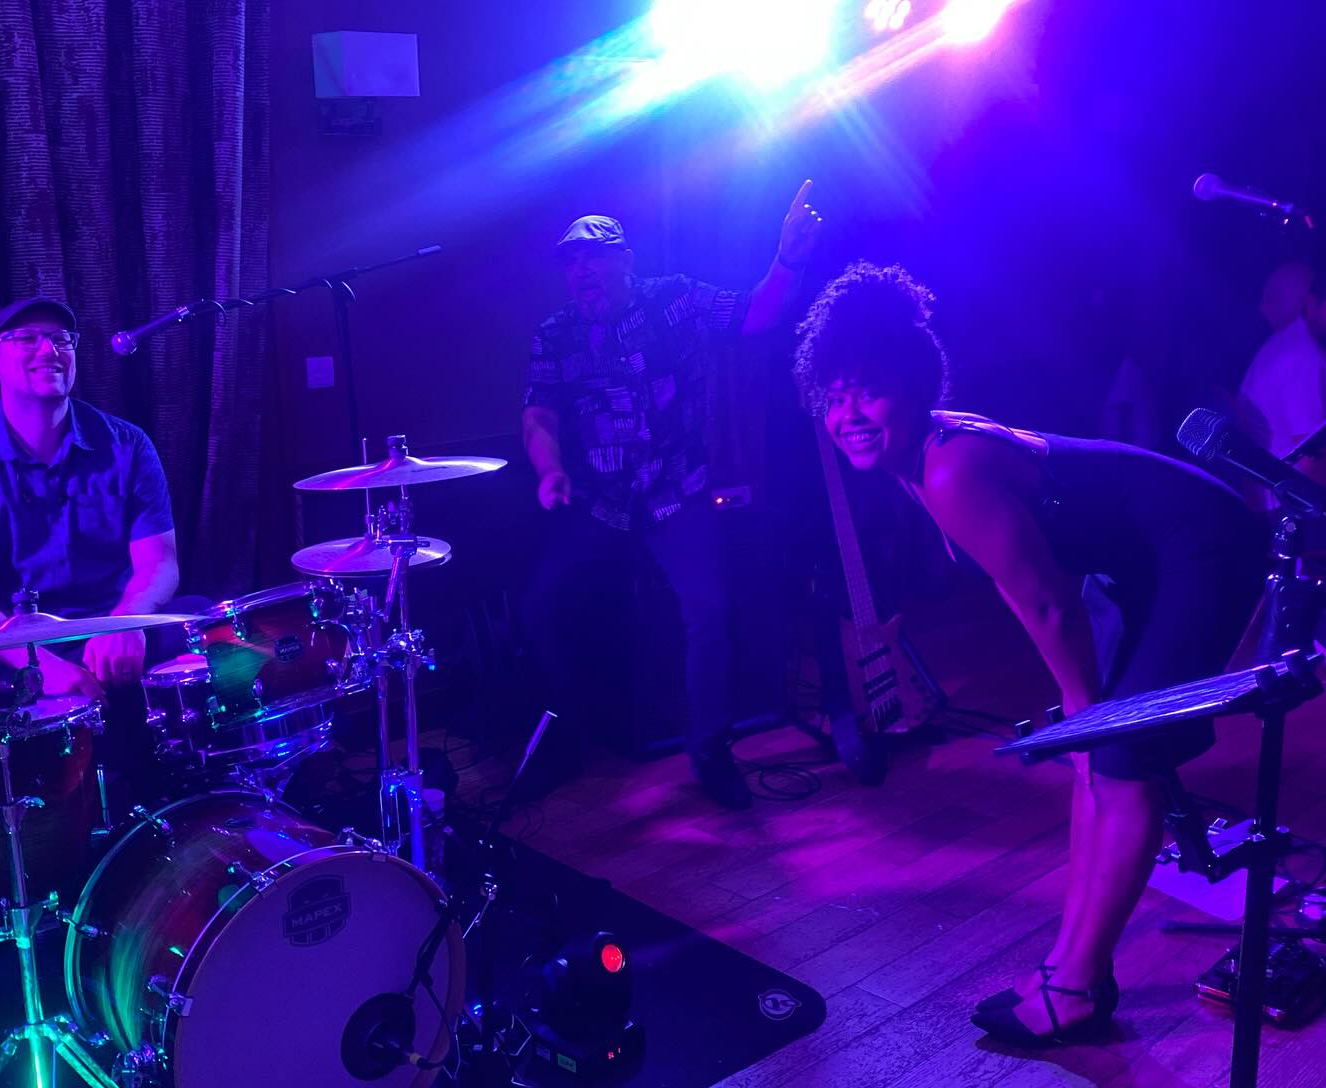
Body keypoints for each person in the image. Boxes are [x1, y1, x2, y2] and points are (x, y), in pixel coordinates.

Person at [792, 262, 1261, 1044]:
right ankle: (1069, 967)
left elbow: (1047, 601)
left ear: (912, 384)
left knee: (1119, 762)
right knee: (1096, 759)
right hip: (1144, 560)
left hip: (1200, 546)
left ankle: (1075, 988)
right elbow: (1035, 584)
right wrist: (1081, 713)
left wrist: (1080, 707)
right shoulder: (921, 458)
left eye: (867, 392)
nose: (849, 415)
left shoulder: (947, 465)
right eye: (834, 397)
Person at [520, 182, 823, 810]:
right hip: (598, 501)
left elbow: (757, 313)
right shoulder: (556, 334)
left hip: (673, 494)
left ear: (626, 260)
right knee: (542, 605)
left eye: (594, 258)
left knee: (709, 610)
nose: (582, 271)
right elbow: (539, 415)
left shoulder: (676, 300)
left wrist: (788, 258)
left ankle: (709, 751)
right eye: (571, 263)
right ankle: (565, 742)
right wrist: (549, 470)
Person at [0, 295, 182, 702]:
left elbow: (160, 563)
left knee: (215, 637)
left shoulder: (128, 444)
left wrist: (127, 622)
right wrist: (41, 667)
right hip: (7, 653)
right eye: (27, 338)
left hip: (109, 632)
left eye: (62, 339)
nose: (49, 351)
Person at [1236, 257, 1326, 503]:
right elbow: (1310, 455)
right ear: (1311, 303)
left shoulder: (1284, 344)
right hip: (1288, 502)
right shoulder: (1304, 355)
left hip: (1270, 496)